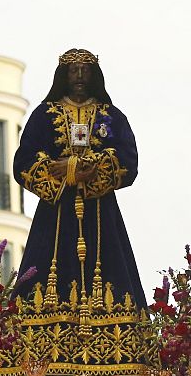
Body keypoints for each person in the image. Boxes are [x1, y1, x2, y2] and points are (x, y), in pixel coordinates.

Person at [13, 48, 145, 310]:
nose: (80, 75)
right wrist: (63, 172)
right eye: (74, 70)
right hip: (55, 214)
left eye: (86, 70)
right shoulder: (43, 115)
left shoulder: (111, 116)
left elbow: (128, 161)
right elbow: (24, 161)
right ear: (64, 75)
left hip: (101, 213)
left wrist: (93, 168)